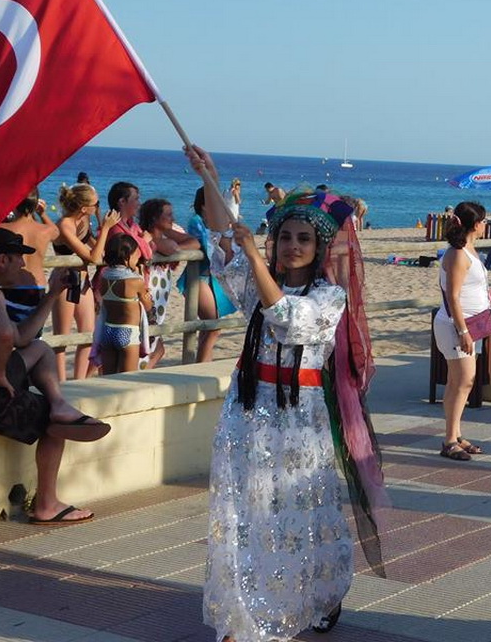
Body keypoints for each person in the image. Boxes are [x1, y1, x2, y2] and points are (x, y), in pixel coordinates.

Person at [185, 145, 388, 641]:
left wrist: (255, 256)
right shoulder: (257, 280)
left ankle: (314, 595)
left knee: (300, 508)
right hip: (249, 410)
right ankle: (242, 615)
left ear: (318, 249)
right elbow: (222, 242)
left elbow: (287, 321)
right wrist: (210, 177)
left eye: (303, 239)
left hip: (300, 417)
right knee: (243, 509)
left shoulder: (328, 296)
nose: (292, 246)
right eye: (285, 237)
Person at [0, 229, 111, 524]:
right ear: (2, 259)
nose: (23, 267)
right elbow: (4, 333)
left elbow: (20, 337)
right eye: (19, 260)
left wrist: (53, 294)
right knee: (55, 425)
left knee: (40, 348)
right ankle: (47, 504)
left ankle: (59, 403)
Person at [435, 201, 491, 461]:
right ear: (475, 224)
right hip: (457, 325)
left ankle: (455, 434)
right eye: (484, 221)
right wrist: (463, 331)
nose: (486, 225)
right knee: (463, 380)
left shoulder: (469, 250)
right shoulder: (457, 254)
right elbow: (453, 296)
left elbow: (469, 288)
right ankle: (449, 439)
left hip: (471, 322)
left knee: (459, 381)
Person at [52, 183, 120, 380]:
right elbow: (92, 258)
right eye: (96, 204)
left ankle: (79, 380)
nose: (98, 207)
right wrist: (106, 227)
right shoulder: (65, 225)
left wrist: (101, 226)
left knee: (88, 335)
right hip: (64, 282)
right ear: (84, 208)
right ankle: (61, 383)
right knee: (62, 338)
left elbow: (101, 253)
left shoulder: (85, 222)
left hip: (82, 281)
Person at [177, 187, 237, 363]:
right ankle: (200, 367)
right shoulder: (196, 221)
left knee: (209, 329)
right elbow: (206, 245)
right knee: (212, 327)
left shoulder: (219, 222)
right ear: (204, 204)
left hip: (212, 279)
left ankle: (203, 364)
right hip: (198, 277)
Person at [140, 198, 201, 367]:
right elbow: (170, 248)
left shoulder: (162, 237)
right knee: (148, 345)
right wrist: (173, 245)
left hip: (159, 298)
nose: (172, 218)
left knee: (157, 348)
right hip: (148, 295)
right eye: (168, 215)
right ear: (154, 218)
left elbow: (194, 243)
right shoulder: (146, 238)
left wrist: (173, 238)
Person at [0, 187, 59, 327]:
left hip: (11, 287)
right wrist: (42, 214)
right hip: (37, 287)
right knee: (33, 335)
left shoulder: (3, 229)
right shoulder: (45, 230)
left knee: (11, 336)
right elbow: (57, 232)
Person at [95, 234, 152, 374]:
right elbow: (148, 305)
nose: (138, 258)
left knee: (109, 380)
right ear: (127, 256)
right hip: (127, 332)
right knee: (127, 381)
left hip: (107, 331)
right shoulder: (134, 281)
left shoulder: (104, 276)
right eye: (135, 255)